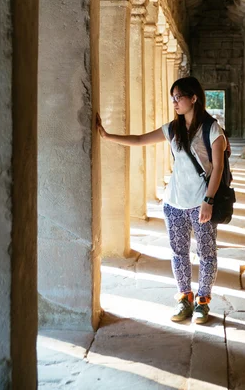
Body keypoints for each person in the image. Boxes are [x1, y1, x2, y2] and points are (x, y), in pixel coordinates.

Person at [96, 76, 226, 324]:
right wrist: (108, 136)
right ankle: (184, 299)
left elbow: (218, 168)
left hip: (201, 203)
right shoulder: (173, 129)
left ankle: (202, 302)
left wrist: (208, 200)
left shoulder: (212, 129)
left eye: (179, 97)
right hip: (174, 203)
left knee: (207, 254)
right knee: (179, 254)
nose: (175, 103)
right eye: (173, 98)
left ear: (194, 98)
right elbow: (139, 140)